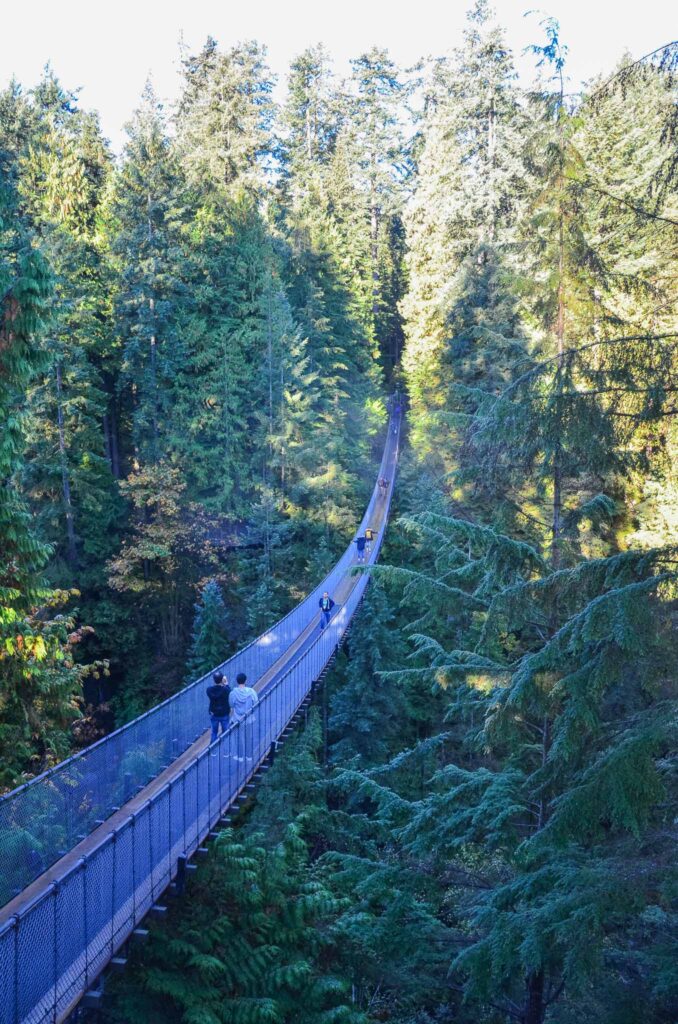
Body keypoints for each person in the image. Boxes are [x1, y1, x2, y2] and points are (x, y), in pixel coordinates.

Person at [229, 672, 259, 761]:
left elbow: (231, 705)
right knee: (248, 737)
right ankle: (249, 756)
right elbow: (256, 702)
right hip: (248, 718)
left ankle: (239, 756)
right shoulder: (251, 691)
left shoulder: (233, 693)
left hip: (237, 719)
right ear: (246, 680)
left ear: (237, 681)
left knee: (238, 737)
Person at [206, 670, 231, 744]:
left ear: (214, 680)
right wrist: (226, 684)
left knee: (214, 732)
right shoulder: (226, 690)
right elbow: (230, 692)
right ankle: (225, 747)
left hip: (214, 713)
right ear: (222, 679)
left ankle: (213, 750)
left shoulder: (209, 690)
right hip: (224, 713)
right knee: (226, 732)